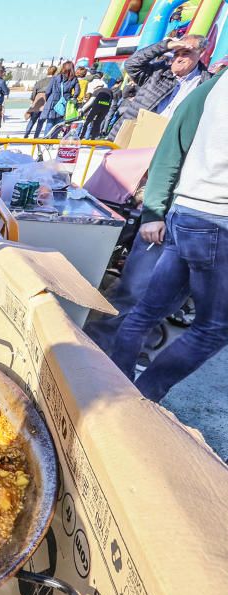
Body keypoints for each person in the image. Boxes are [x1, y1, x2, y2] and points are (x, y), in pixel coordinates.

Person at [109, 72, 227, 401]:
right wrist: (153, 211)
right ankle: (141, 399)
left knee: (144, 312)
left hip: (189, 213)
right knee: (214, 327)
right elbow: (171, 148)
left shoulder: (214, 84)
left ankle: (118, 391)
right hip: (214, 218)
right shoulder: (211, 87)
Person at [107, 35, 211, 140]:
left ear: (201, 53)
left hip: (168, 144)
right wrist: (167, 45)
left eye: (185, 54)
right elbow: (131, 64)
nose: (178, 59)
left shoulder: (207, 83)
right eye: (176, 54)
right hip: (128, 137)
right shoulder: (158, 73)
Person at [43, 60, 79, 135]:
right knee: (58, 125)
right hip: (64, 103)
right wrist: (73, 97)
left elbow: (48, 91)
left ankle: (46, 142)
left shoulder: (55, 77)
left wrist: (48, 100)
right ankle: (52, 142)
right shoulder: (74, 79)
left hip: (52, 102)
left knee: (49, 123)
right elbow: (77, 91)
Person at [24, 66, 56, 138]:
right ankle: (36, 136)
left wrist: (33, 100)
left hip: (38, 100)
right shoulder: (55, 80)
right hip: (47, 100)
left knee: (32, 120)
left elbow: (34, 91)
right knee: (41, 121)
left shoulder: (40, 81)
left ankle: (26, 134)